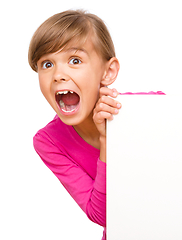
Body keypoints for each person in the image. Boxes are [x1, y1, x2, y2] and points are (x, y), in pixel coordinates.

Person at [28, 9, 121, 240]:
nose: (58, 74)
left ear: (108, 72)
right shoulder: (48, 141)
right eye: (47, 64)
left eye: (75, 60)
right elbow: (104, 215)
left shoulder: (148, 111)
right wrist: (107, 141)